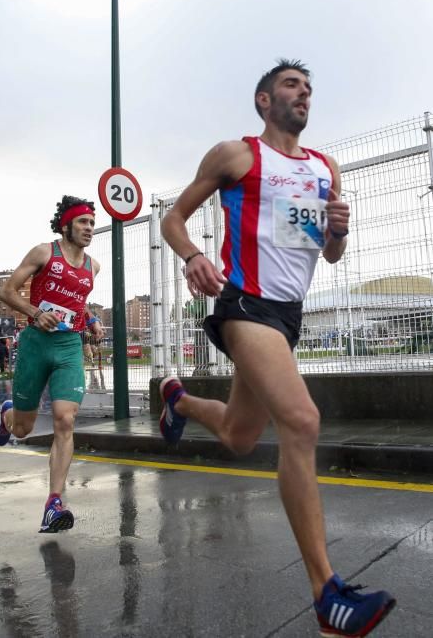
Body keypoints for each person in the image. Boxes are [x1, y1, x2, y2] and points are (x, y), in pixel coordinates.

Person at [158, 60, 395, 637]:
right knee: (302, 420)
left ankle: (179, 401)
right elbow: (173, 218)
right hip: (243, 303)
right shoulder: (237, 156)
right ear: (264, 101)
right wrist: (194, 256)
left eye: (308, 87)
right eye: (292, 85)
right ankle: (327, 596)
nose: (304, 93)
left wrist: (339, 228)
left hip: (285, 317)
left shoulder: (324, 168)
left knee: (240, 436)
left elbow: (330, 253)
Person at [0, 195, 104, 533]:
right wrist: (35, 314)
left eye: (92, 224)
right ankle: (8, 415)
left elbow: (77, 302)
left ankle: (54, 503)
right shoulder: (44, 252)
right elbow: (7, 292)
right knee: (23, 430)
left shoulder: (93, 266)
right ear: (66, 225)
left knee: (65, 420)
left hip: (69, 346)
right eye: (83, 223)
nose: (89, 229)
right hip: (36, 346)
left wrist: (93, 318)